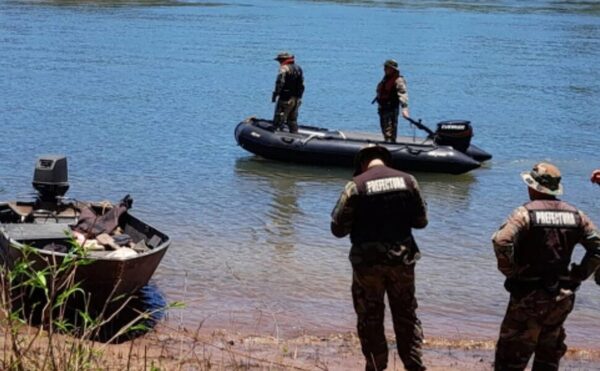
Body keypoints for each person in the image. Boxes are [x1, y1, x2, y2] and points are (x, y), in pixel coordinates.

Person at [492, 162, 600, 371]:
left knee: (510, 358)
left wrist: (510, 270)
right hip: (560, 297)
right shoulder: (576, 215)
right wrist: (581, 273)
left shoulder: (524, 214)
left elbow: (501, 241)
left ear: (533, 187)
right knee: (548, 357)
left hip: (527, 295)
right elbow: (597, 248)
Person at [330, 145, 428, 371]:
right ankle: (414, 365)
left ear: (362, 163)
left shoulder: (356, 186)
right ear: (386, 161)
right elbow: (421, 221)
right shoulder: (408, 181)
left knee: (370, 317)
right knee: (406, 315)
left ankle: (376, 366)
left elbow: (338, 229)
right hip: (402, 262)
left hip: (367, 265)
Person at [374, 59, 410, 143]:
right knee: (384, 129)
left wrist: (404, 109)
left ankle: (390, 144)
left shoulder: (398, 80)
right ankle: (388, 142)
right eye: (384, 67)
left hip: (391, 109)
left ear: (392, 69)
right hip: (383, 108)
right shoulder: (386, 78)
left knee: (389, 131)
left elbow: (403, 94)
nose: (384, 69)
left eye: (386, 67)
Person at [271, 51, 304, 134]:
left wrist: (276, 93)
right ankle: (294, 133)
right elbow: (302, 84)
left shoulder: (284, 68)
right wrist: (299, 96)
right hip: (296, 98)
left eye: (279, 60)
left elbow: (280, 82)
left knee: (279, 117)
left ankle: (277, 134)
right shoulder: (298, 68)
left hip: (286, 98)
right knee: (292, 119)